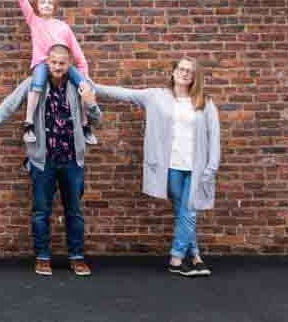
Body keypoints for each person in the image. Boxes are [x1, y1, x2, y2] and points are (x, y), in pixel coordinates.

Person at [0, 44, 101, 276]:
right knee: (41, 211)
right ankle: (42, 256)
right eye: (54, 62)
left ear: (69, 64)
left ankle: (77, 257)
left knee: (74, 211)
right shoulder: (35, 85)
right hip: (43, 160)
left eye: (62, 63)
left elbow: (97, 118)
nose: (58, 67)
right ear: (47, 62)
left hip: (73, 160)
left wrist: (90, 103)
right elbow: (8, 105)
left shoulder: (79, 86)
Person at [90, 57, 221, 276]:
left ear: (194, 77)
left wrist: (212, 167)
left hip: (197, 168)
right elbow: (124, 93)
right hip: (170, 167)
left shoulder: (204, 103)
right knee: (184, 210)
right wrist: (89, 84)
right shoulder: (156, 97)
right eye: (181, 69)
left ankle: (176, 259)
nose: (185, 73)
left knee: (188, 210)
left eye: (190, 71)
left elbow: (214, 137)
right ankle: (195, 254)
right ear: (173, 72)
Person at [6, 0, 96, 146]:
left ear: (54, 7)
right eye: (43, 2)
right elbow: (23, 3)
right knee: (36, 86)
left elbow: (77, 53)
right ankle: (29, 123)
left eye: (50, 3)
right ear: (38, 6)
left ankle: (85, 125)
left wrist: (84, 74)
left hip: (63, 65)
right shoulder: (34, 21)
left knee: (84, 87)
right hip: (42, 63)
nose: (46, 5)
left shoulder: (63, 27)